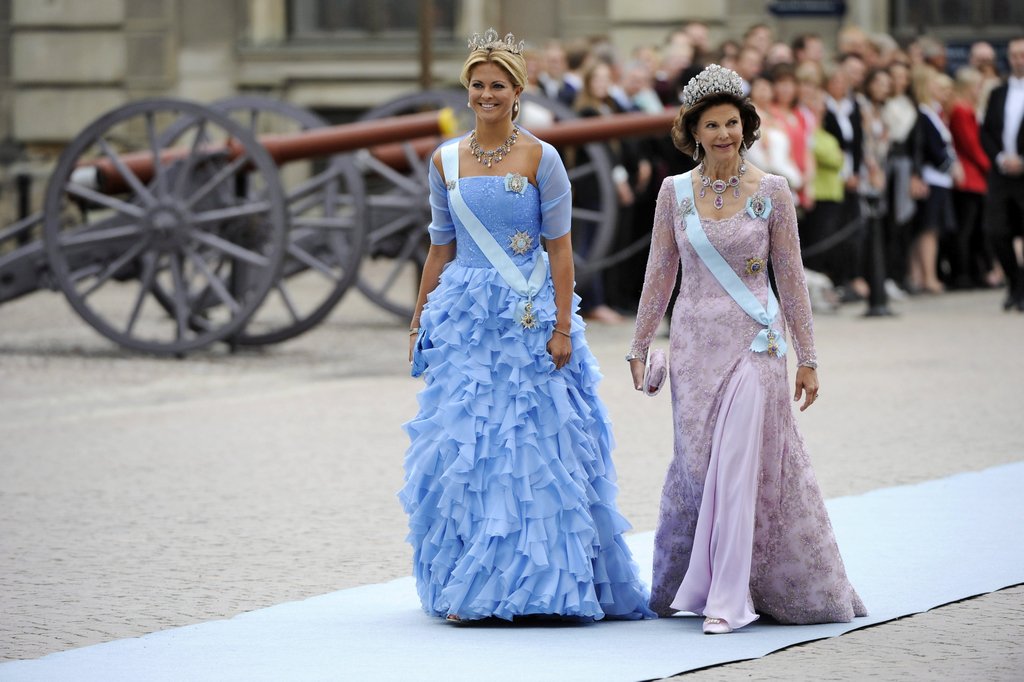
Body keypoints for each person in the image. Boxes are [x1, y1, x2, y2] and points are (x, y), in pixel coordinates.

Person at [400, 29, 654, 624]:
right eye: (478, 85)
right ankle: (473, 582)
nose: (487, 95)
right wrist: (417, 321)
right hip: (464, 317)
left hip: (528, 313)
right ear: (467, 90)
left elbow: (560, 250)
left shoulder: (544, 158)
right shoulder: (444, 160)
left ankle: (545, 582)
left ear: (518, 92)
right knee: (469, 445)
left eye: (498, 85)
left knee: (533, 444)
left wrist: (563, 326)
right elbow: (439, 247)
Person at [627, 64, 866, 635]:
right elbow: (659, 272)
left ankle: (728, 600)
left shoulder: (773, 191)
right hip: (693, 348)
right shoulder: (673, 192)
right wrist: (639, 343)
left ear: (746, 127)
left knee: (738, 468)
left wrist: (808, 358)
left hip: (754, 345)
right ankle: (703, 582)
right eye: (712, 125)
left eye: (732, 123)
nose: (724, 134)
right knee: (700, 467)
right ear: (694, 131)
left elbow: (792, 278)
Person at [980, 36, 1024, 311]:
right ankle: (1015, 283)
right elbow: (986, 131)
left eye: (1023, 55)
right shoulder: (998, 92)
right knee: (996, 230)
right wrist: (999, 158)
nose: (1019, 60)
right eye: (1014, 55)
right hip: (1001, 172)